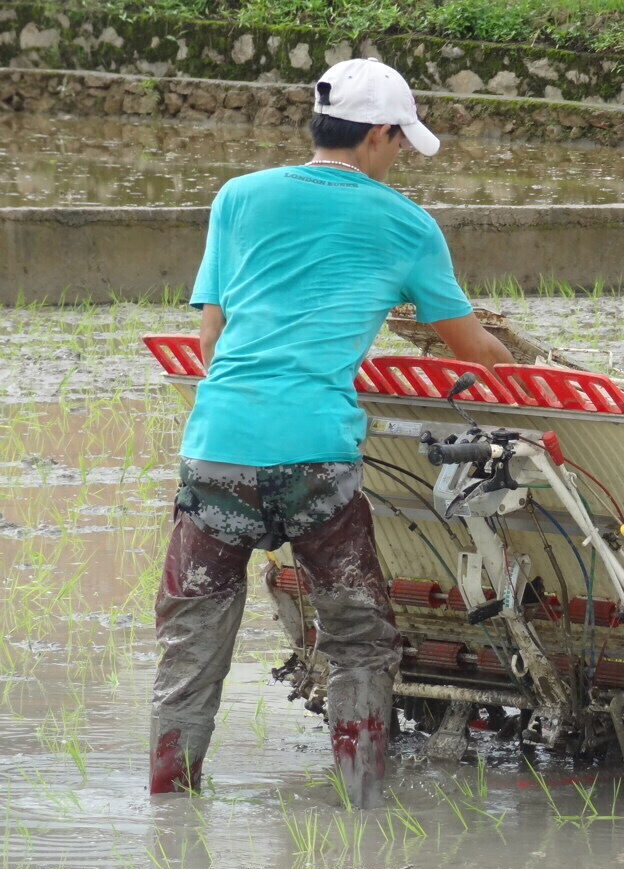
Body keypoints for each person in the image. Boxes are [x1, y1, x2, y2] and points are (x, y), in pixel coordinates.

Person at [149, 57, 514, 807]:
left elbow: (211, 341)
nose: (401, 154)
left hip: (217, 449)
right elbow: (475, 350)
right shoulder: (405, 223)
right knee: (357, 641)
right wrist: (515, 362)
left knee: (190, 645)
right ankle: (361, 804)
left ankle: (169, 806)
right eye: (400, 141)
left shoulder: (238, 197)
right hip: (315, 461)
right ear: (379, 134)